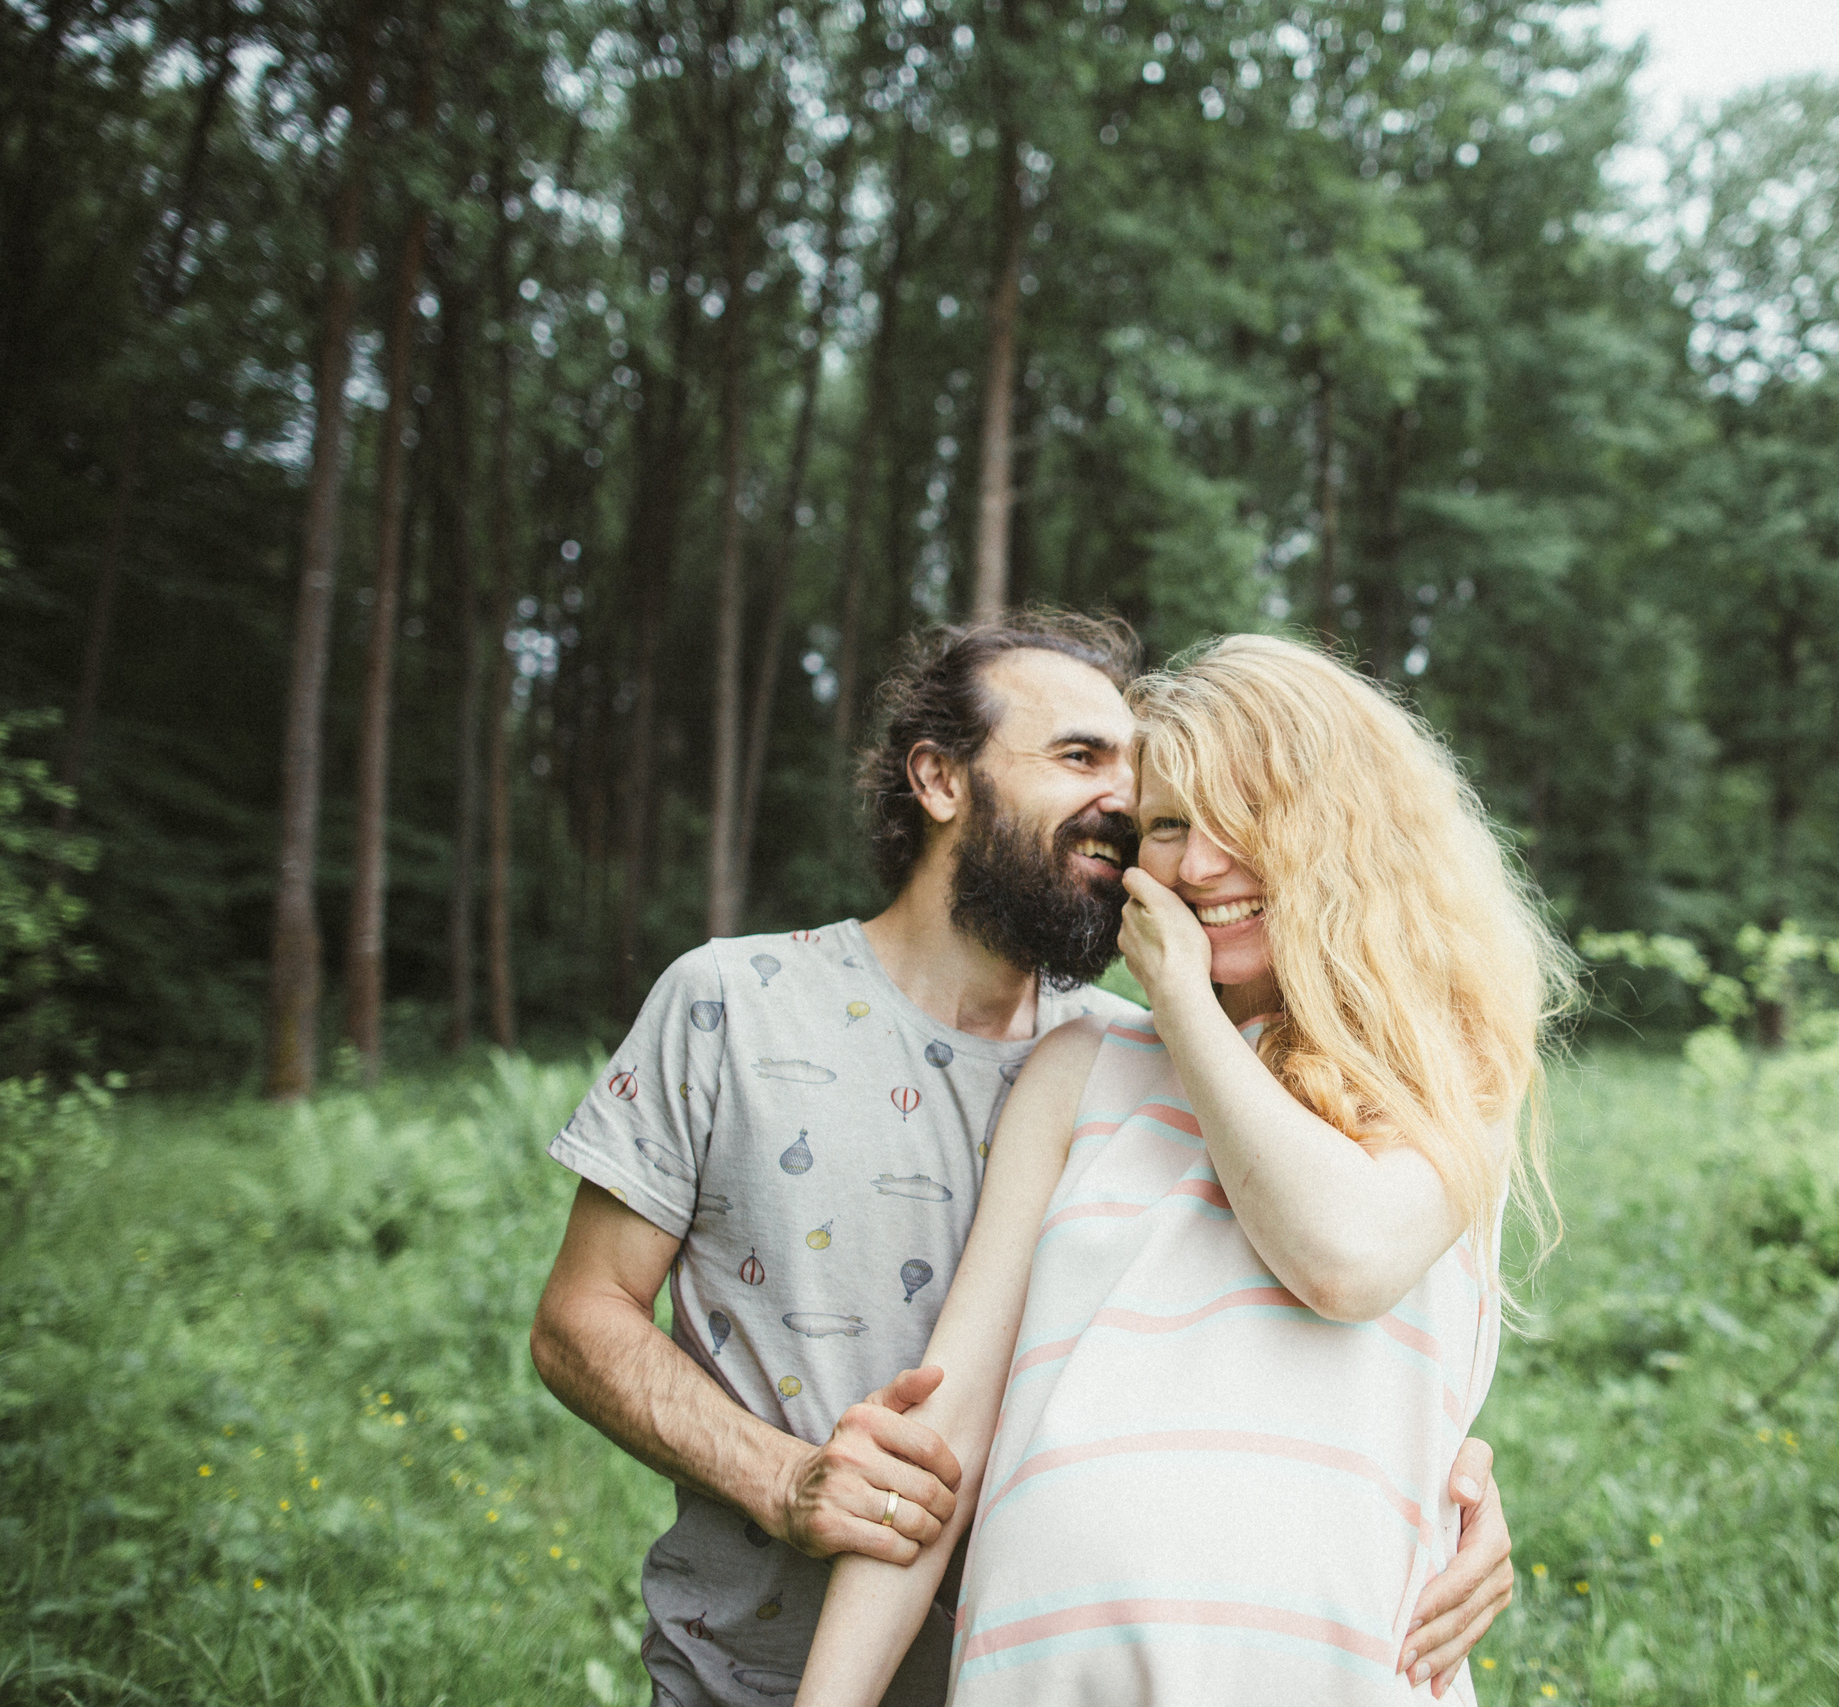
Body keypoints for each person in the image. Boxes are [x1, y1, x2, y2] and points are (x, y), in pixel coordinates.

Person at [530, 612, 1515, 1707]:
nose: (1128, 812)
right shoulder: (741, 1004)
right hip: (769, 1654)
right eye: (1083, 759)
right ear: (939, 780)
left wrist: (1442, 1478)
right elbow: (581, 1317)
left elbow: (1326, 1319)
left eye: (1140, 782)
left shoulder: (1120, 1043)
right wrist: (783, 1481)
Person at [797, 633, 1572, 1704]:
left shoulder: (1452, 1060)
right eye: (1165, 827)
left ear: (1339, 830)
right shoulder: (1078, 1072)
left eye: (1243, 818)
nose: (1198, 865)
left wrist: (1184, 1006)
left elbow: (1342, 1259)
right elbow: (949, 1434)